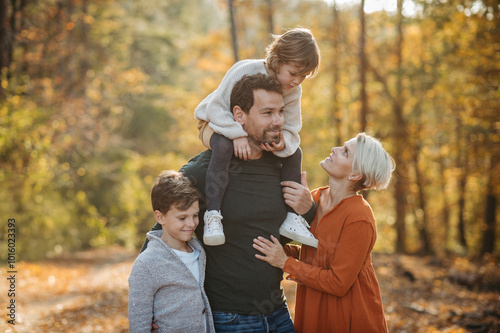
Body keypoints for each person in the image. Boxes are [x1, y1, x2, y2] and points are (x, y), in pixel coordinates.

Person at [143, 74, 316, 332]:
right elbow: (162, 234)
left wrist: (308, 208)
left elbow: (292, 232)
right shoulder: (205, 170)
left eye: (281, 111)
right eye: (267, 112)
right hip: (229, 318)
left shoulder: (283, 164)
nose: (278, 121)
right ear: (239, 115)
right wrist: (156, 312)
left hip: (278, 313)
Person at [253, 133, 395, 332]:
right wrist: (275, 248)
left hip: (348, 315)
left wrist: (285, 262)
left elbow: (338, 282)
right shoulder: (314, 199)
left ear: (355, 175)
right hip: (313, 305)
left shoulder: (359, 217)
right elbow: (316, 253)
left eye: (345, 152)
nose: (334, 150)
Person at [195, 27, 320, 248]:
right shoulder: (244, 70)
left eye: (303, 76)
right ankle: (213, 215)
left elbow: (292, 128)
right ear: (278, 59)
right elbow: (216, 108)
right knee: (223, 146)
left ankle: (293, 217)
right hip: (213, 122)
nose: (297, 81)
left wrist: (284, 142)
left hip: (249, 130)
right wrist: (237, 135)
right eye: (293, 73)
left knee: (294, 151)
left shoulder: (293, 90)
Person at [129, 170, 215, 333]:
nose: (191, 223)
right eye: (182, 218)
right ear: (160, 217)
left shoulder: (199, 251)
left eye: (195, 215)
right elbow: (138, 323)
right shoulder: (146, 264)